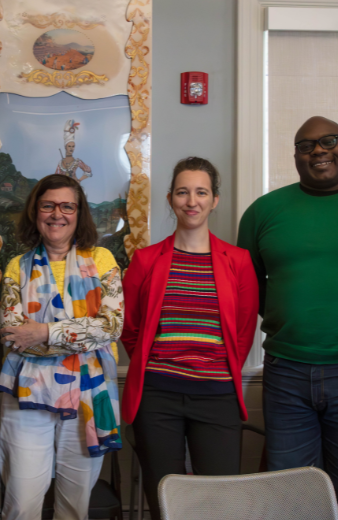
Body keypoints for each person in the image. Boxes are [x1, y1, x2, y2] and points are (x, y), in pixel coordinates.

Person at [236, 116, 338, 519]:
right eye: (306, 145)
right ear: (296, 156)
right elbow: (250, 289)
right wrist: (289, 320)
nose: (318, 151)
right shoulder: (263, 212)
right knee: (290, 491)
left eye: (329, 141)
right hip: (287, 371)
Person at [121, 157, 258, 517]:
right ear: (170, 199)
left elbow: (243, 333)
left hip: (217, 396)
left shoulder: (239, 261)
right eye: (183, 192)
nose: (191, 201)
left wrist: (216, 372)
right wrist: (158, 366)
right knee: (166, 501)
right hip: (157, 397)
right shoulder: (146, 260)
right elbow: (130, 329)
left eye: (201, 192)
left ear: (214, 200)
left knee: (218, 504)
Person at [0, 174, 123, 520]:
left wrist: (43, 333)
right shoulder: (16, 267)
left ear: (79, 213)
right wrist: (81, 336)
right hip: (26, 397)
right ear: (36, 212)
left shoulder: (102, 261)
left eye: (67, 206)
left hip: (87, 396)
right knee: (21, 505)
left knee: (74, 507)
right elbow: (12, 336)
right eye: (48, 205)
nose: (57, 214)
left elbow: (111, 327)